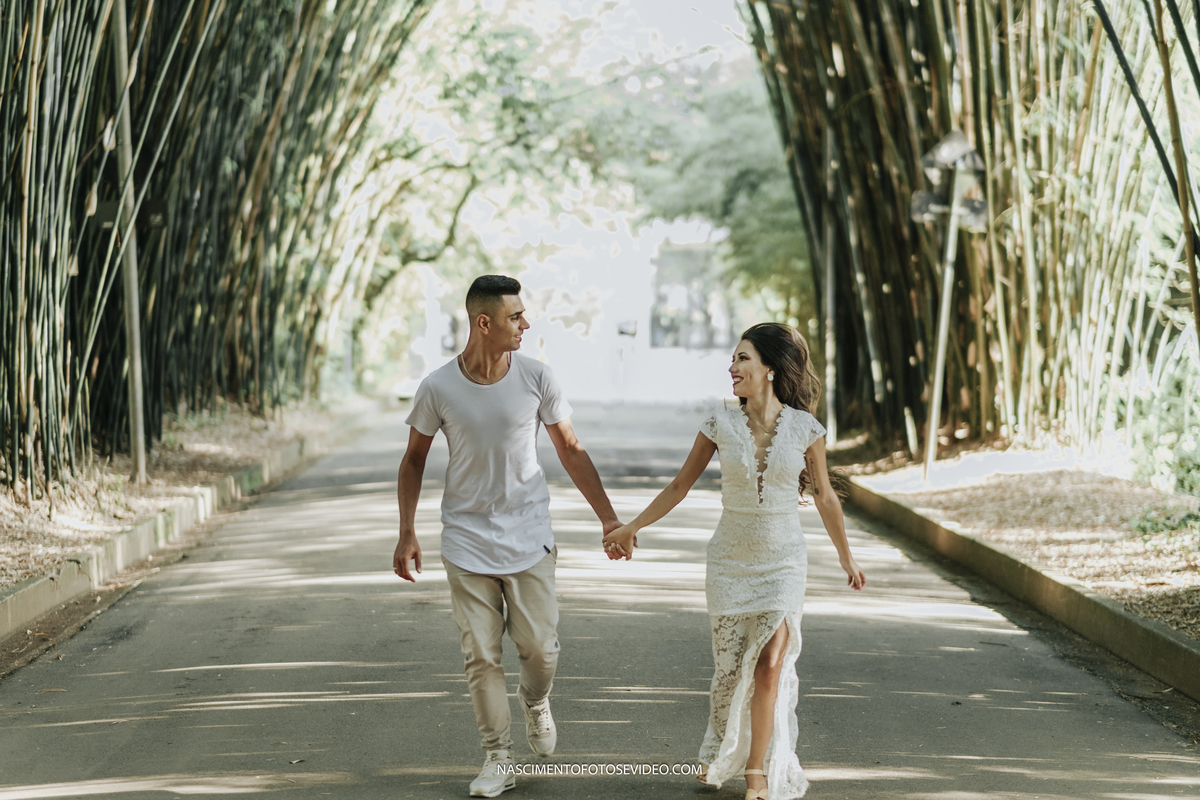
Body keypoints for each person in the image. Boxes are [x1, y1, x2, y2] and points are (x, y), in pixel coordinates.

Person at [603, 322, 866, 800]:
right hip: (729, 561)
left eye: (742, 358)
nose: (732, 367)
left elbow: (826, 497)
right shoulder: (718, 423)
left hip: (784, 561)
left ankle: (756, 770)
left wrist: (847, 558)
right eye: (733, 359)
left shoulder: (807, 428)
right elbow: (679, 487)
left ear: (769, 368)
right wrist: (631, 526)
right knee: (728, 672)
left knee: (769, 663)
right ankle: (716, 752)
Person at [393, 274, 622, 798]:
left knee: (539, 649)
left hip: (529, 534)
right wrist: (407, 532)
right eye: (515, 316)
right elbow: (413, 460)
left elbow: (571, 449)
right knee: (481, 653)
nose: (525, 323)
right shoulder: (438, 386)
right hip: (466, 538)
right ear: (484, 323)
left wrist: (608, 519)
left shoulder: (538, 377)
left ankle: (536, 702)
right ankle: (498, 757)